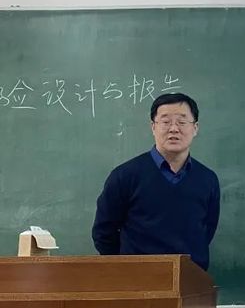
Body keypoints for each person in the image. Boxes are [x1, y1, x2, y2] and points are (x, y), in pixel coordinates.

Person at [92, 93, 220, 270]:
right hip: (137, 279)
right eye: (165, 122)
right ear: (153, 127)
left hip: (190, 279)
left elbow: (207, 231)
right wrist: (126, 268)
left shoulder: (207, 179)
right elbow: (104, 233)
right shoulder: (125, 175)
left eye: (182, 122)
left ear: (195, 128)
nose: (174, 129)